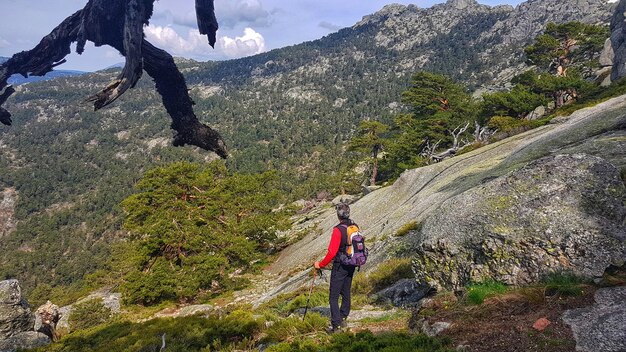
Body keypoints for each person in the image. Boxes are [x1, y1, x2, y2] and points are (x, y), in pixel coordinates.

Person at [314, 202, 357, 333]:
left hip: (340, 265)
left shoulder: (338, 230)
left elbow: (332, 252)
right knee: (345, 292)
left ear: (338, 215)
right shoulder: (354, 226)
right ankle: (343, 317)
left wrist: (320, 265)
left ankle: (336, 326)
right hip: (352, 263)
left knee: (333, 296)